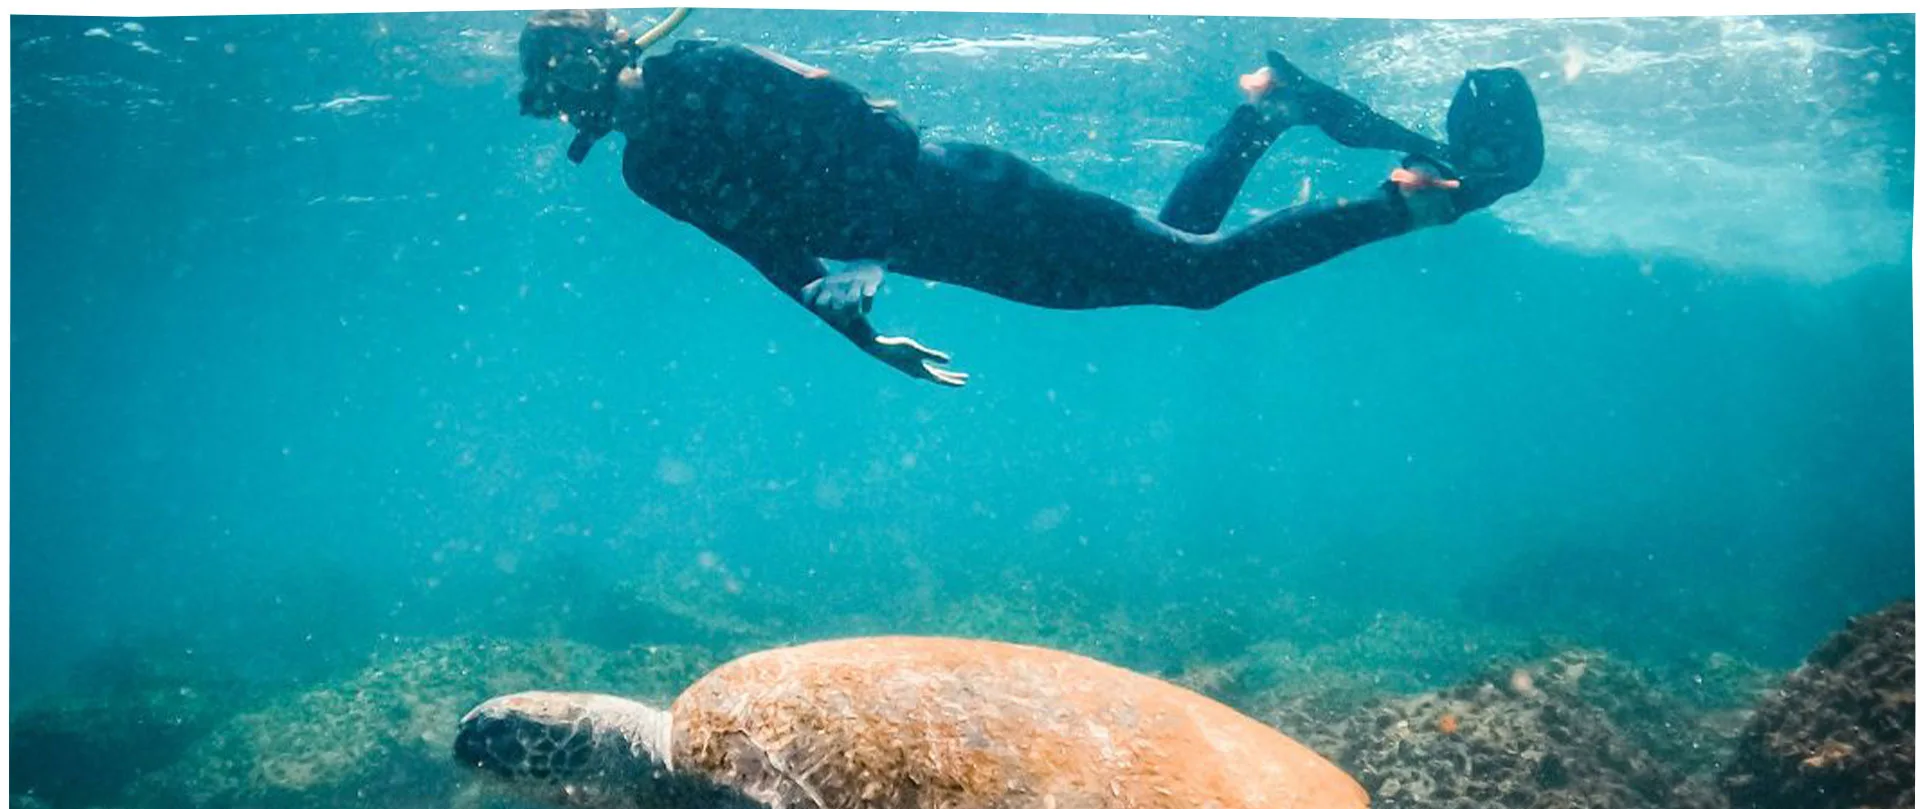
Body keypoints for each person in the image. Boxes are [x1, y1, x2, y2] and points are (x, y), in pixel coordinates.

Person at [518, 9, 1544, 387]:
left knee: (1193, 279)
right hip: (949, 248)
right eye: (544, 91)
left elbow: (867, 122)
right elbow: (769, 255)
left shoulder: (702, 65)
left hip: (966, 193)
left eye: (561, 72)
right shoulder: (647, 172)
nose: (558, 101)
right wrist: (863, 336)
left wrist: (871, 249)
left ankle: (1412, 199)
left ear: (606, 48)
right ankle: (1269, 110)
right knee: (1179, 248)